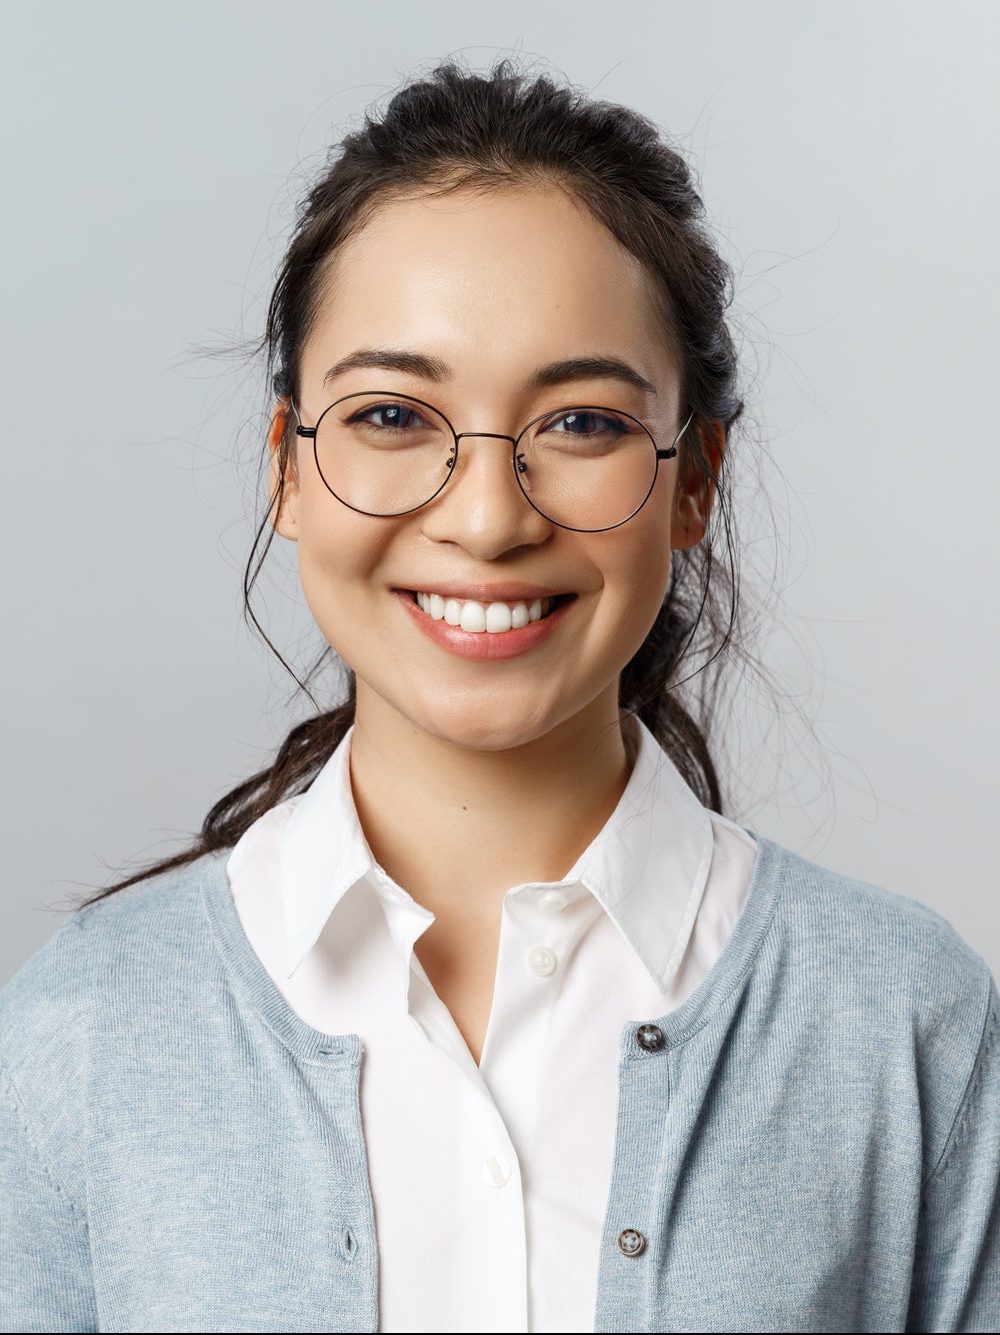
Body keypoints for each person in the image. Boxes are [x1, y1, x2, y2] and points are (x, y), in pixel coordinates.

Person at [2, 58, 998, 1335]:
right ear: (287, 470)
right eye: (390, 414)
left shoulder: (905, 1023)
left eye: (580, 424)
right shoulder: (81, 1035)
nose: (484, 519)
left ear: (693, 478)